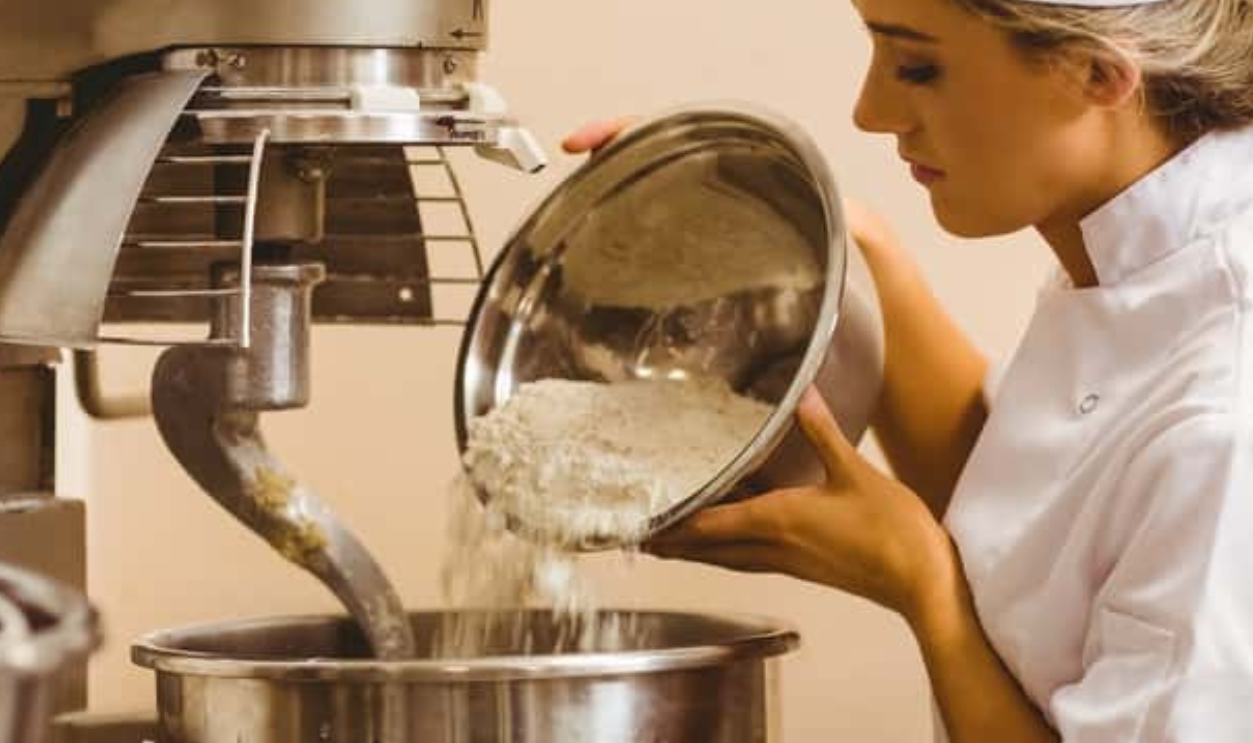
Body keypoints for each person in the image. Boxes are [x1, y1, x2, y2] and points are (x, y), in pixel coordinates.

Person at [564, 0, 1253, 740]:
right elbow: (1043, 517)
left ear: (1098, 74)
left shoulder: (1224, 409)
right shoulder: (1140, 250)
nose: (870, 111)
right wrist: (828, 234)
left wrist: (920, 583)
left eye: (917, 67)